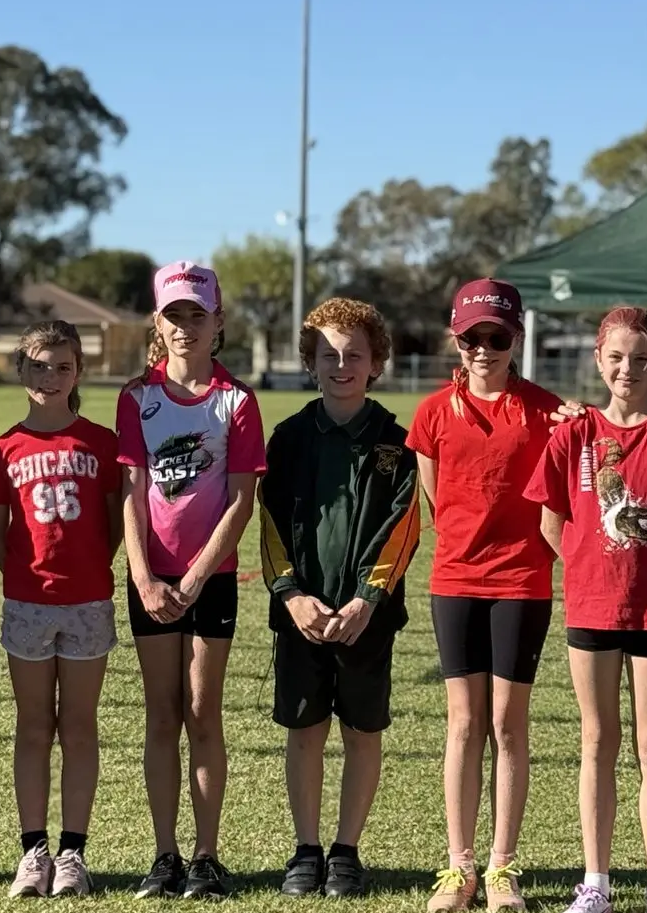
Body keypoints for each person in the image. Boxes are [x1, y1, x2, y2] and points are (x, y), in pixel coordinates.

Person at [525, 307, 647, 913]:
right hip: (591, 609)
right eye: (616, 357)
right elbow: (551, 522)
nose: (627, 369)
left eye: (640, 358)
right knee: (596, 741)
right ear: (598, 360)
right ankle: (596, 883)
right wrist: (592, 567)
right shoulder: (573, 433)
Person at [405, 278, 582, 913]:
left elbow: (575, 481)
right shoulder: (432, 413)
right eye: (472, 337)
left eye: (496, 337)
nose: (484, 349)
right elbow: (435, 498)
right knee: (463, 722)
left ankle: (503, 867)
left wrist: (576, 421)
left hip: (522, 582)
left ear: (517, 338)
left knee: (508, 725)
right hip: (455, 580)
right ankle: (459, 867)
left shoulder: (547, 412)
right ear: (456, 339)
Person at [258, 298, 422, 899]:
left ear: (376, 362)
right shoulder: (289, 438)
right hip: (301, 615)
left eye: (355, 354)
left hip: (365, 618)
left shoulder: (396, 441)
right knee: (305, 730)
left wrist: (367, 599)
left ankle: (346, 850)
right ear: (310, 362)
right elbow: (268, 521)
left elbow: (405, 524)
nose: (342, 365)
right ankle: (306, 849)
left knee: (361, 730)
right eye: (328, 354)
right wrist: (291, 595)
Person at [117, 261, 267, 900]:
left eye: (196, 315)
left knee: (203, 714)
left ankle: (205, 857)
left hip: (212, 580)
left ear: (217, 322)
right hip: (151, 580)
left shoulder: (237, 401)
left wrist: (199, 576)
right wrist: (144, 577)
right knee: (162, 715)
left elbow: (241, 500)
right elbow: (131, 493)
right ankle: (165, 855)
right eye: (173, 315)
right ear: (158, 322)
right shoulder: (136, 398)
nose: (185, 327)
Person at [0, 321, 124, 898]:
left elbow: (113, 524)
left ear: (78, 372)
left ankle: (72, 853)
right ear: (21, 370)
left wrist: (86, 571)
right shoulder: (3, 449)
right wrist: (24, 575)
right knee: (34, 726)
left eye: (63, 367)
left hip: (87, 600)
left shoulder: (101, 443)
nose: (50, 377)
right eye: (39, 365)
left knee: (80, 726)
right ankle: (33, 850)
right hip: (28, 603)